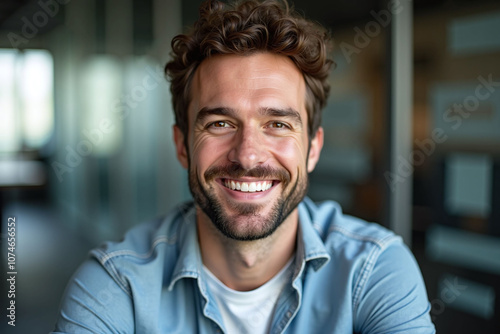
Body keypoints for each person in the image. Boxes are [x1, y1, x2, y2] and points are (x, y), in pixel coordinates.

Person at [53, 0, 435, 333]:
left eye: (278, 124)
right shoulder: (116, 284)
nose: (248, 156)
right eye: (219, 123)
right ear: (182, 146)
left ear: (313, 149)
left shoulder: (375, 270)